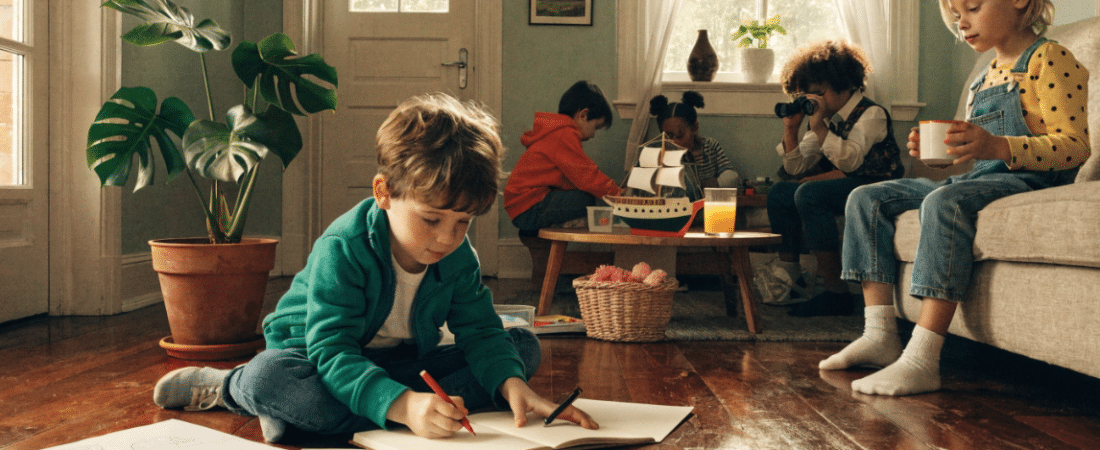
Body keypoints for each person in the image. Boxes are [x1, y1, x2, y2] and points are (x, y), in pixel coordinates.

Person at [149, 94, 599, 442]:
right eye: (431, 219)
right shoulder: (343, 248)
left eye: (463, 222)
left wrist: (512, 386)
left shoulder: (458, 256)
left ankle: (326, 415)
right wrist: (404, 407)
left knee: (519, 347)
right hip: (316, 358)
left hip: (399, 363)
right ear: (384, 193)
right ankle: (230, 388)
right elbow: (331, 352)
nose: (447, 237)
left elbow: (481, 331)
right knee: (273, 377)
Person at [821, 0, 1089, 396]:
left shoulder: (1048, 59)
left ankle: (922, 359)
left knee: (942, 204)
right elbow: (975, 157)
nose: (962, 23)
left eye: (973, 8)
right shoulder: (984, 76)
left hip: (1031, 181)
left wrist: (997, 146)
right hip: (982, 178)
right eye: (956, 15)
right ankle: (879, 334)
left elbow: (1075, 147)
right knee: (866, 199)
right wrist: (943, 155)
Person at [765, 40, 904, 316]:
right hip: (846, 184)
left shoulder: (871, 113)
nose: (810, 103)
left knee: (809, 194)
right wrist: (791, 131)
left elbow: (851, 160)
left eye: (816, 94)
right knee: (780, 192)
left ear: (845, 84)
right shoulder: (826, 118)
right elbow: (796, 167)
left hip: (876, 187)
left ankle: (836, 292)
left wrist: (818, 126)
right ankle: (791, 280)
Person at [505, 80, 621, 237]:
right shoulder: (564, 135)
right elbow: (586, 175)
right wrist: (617, 195)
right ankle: (562, 223)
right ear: (583, 115)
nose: (593, 135)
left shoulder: (557, 133)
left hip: (525, 206)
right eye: (595, 127)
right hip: (528, 209)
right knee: (584, 199)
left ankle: (561, 222)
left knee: (583, 193)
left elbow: (574, 178)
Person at [649, 91, 739, 198]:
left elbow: (732, 177)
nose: (675, 142)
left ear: (694, 127)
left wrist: (703, 184)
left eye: (680, 135)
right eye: (668, 137)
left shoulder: (710, 146)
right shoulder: (662, 154)